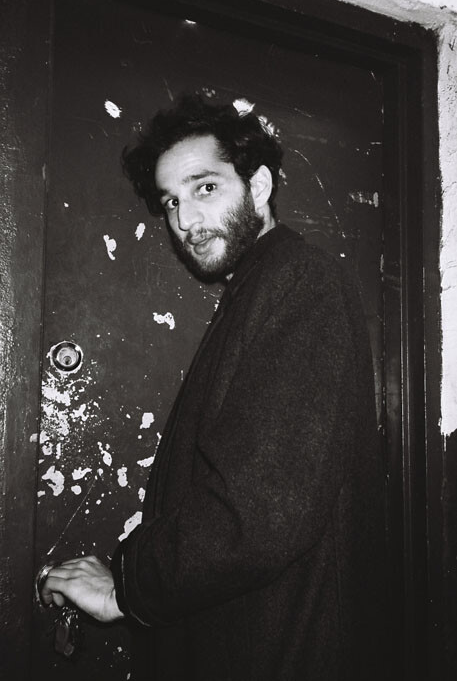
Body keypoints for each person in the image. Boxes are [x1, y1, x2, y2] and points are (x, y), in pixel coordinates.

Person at [41, 94, 387, 680]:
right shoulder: (259, 289)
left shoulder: (301, 282)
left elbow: (259, 511)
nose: (184, 221)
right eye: (171, 201)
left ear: (258, 186)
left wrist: (128, 588)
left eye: (204, 188)